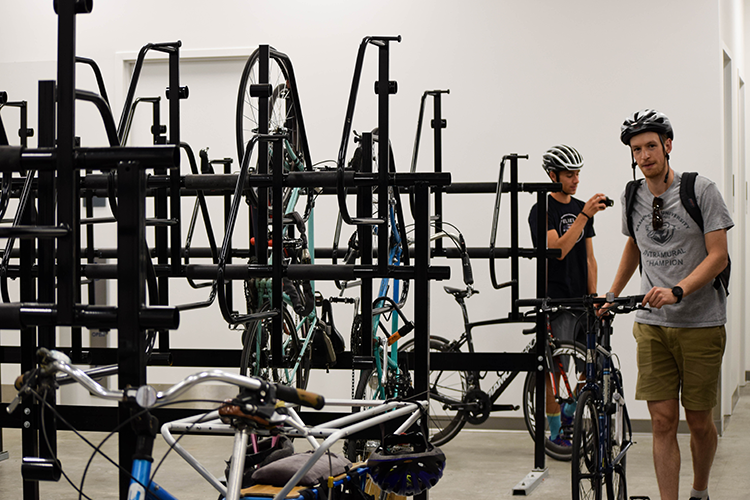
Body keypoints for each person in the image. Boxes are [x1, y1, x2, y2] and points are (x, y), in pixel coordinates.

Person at [606, 109, 733, 500]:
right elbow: (634, 245)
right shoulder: (633, 195)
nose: (643, 156)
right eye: (636, 149)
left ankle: (700, 490)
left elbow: (718, 256)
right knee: (662, 422)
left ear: (667, 146)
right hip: (652, 326)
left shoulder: (702, 190)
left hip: (700, 323)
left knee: (698, 422)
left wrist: (677, 290)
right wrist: (612, 294)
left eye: (650, 146)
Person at [528, 144, 609, 450]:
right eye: (569, 174)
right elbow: (558, 250)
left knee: (591, 362)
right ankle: (554, 432)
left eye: (578, 173)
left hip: (580, 301)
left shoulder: (579, 207)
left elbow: (589, 258)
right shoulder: (542, 209)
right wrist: (584, 215)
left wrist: (593, 297)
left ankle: (571, 410)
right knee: (554, 367)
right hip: (555, 299)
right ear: (553, 175)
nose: (576, 180)